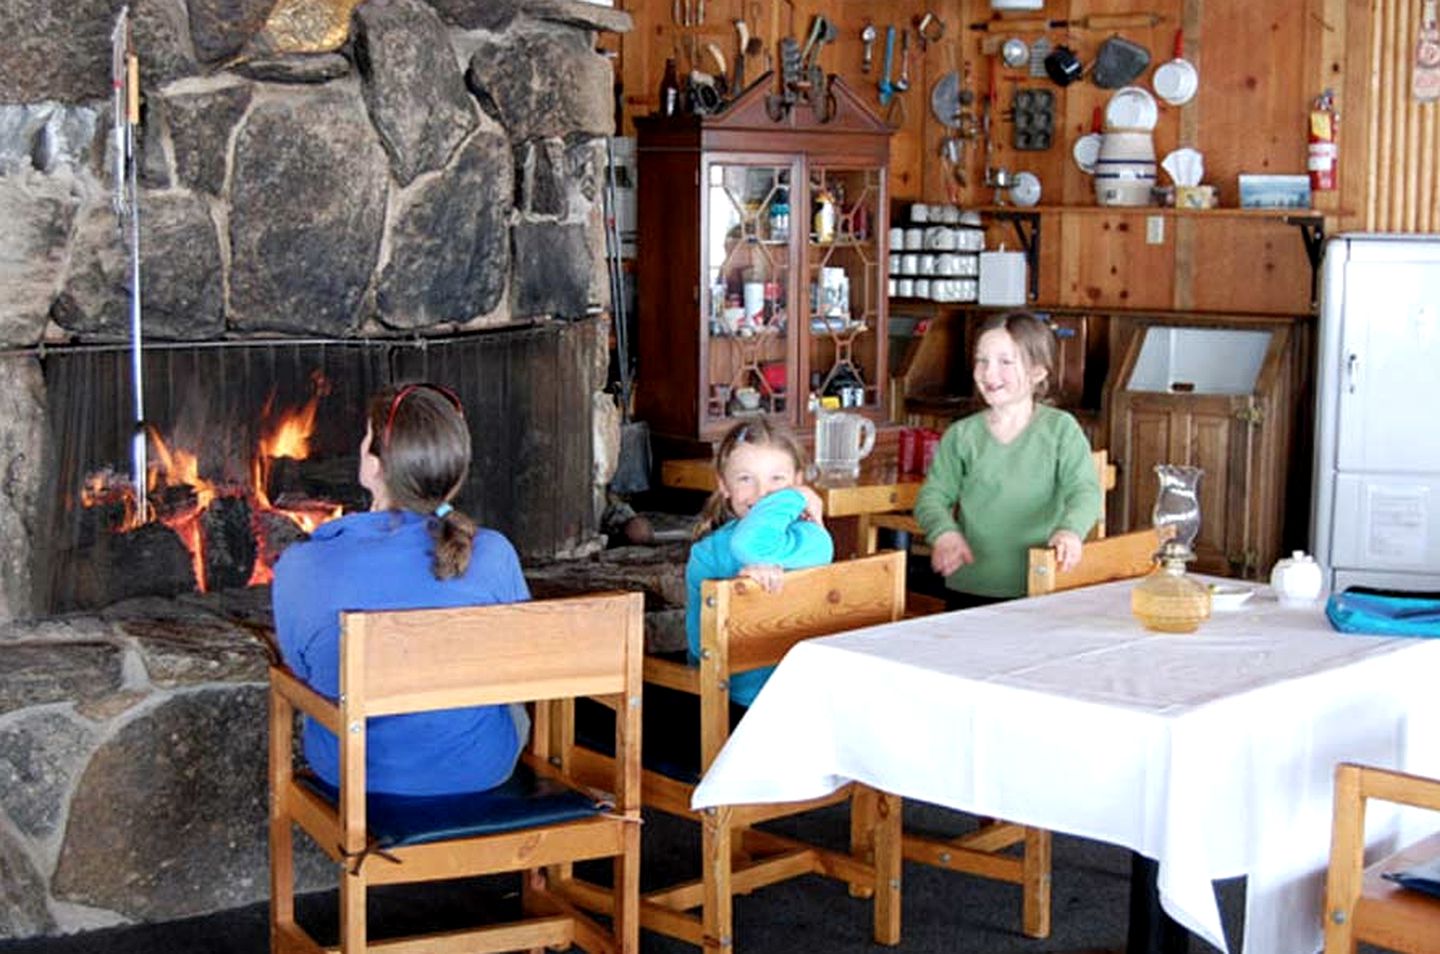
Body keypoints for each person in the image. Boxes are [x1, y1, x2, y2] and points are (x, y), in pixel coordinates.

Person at [272, 382, 530, 797]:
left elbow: (303, 672)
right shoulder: (496, 554)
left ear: (374, 466)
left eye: (366, 439)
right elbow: (519, 662)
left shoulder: (303, 564)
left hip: (354, 775)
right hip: (481, 769)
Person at [913, 312, 1102, 608]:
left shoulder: (1061, 429)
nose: (989, 373)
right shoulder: (961, 435)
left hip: (1043, 584)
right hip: (971, 584)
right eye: (982, 360)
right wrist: (944, 533)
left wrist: (1070, 530)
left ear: (1038, 372)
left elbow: (1085, 491)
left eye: (1005, 362)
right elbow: (932, 497)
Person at [685, 419, 833, 705]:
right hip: (735, 703)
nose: (762, 492)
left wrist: (798, 497)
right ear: (724, 485)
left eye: (777, 479)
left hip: (808, 700)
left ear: (798, 481)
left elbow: (750, 544)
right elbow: (698, 645)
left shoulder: (810, 538)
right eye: (745, 479)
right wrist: (742, 593)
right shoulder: (706, 553)